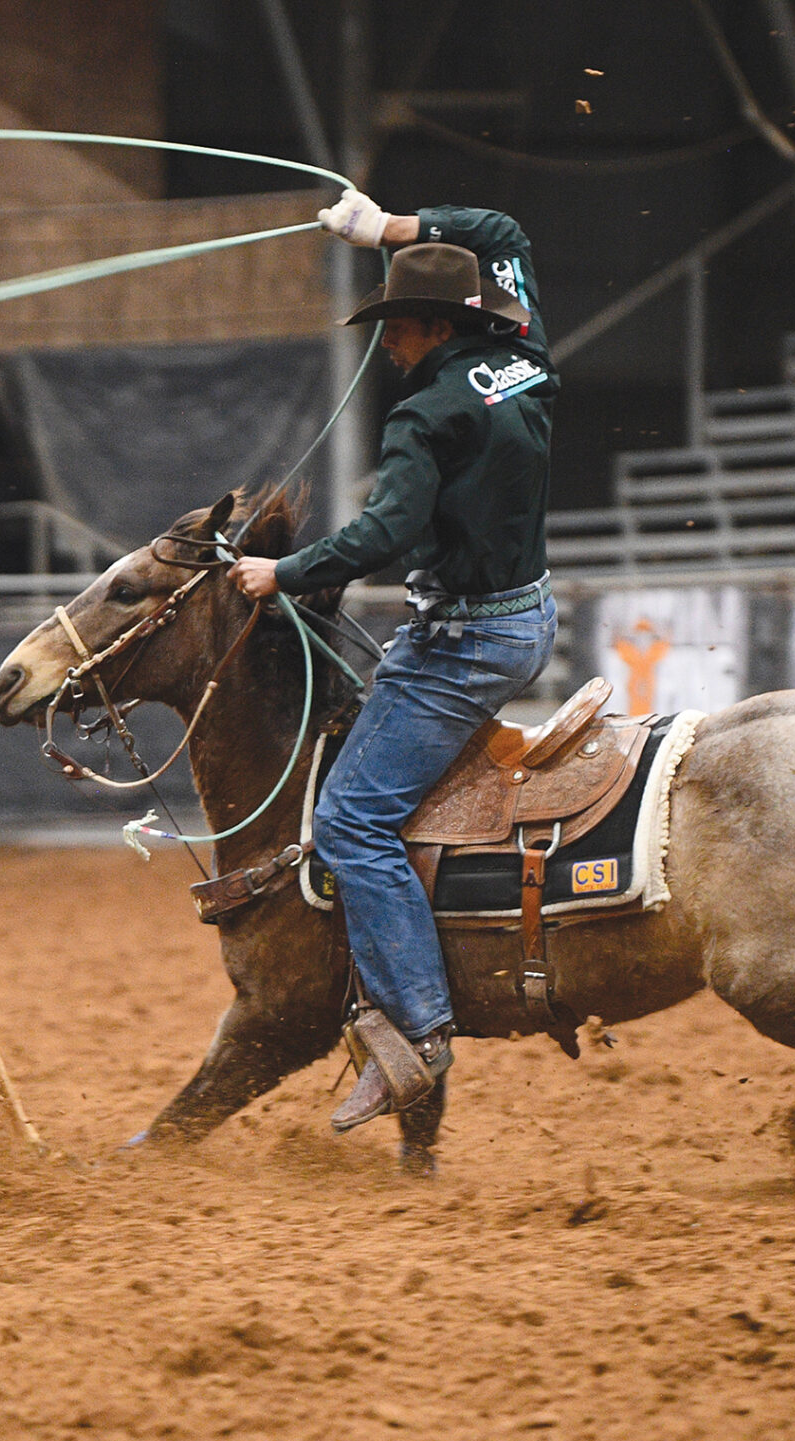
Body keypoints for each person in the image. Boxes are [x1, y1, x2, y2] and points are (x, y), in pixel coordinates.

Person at [225, 190, 555, 1134]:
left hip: (463, 643)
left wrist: (279, 572)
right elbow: (505, 229)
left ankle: (419, 1027)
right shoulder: (526, 356)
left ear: (424, 326)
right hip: (525, 613)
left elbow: (384, 531)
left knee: (350, 819)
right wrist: (391, 230)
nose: (389, 347)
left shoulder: (425, 415)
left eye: (394, 328)